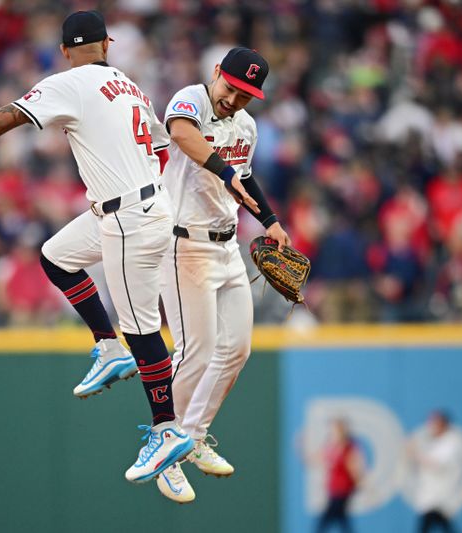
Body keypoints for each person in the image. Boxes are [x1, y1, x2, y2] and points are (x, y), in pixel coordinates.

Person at [0, 10, 245, 483]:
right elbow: (165, 145)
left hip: (129, 218)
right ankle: (107, 347)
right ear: (107, 44)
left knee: (144, 332)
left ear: (65, 51)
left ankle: (167, 430)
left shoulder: (70, 83)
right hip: (127, 208)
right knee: (55, 257)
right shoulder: (127, 83)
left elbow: (1, 119)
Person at [154, 47, 290, 503]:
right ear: (216, 73)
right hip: (183, 244)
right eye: (230, 87)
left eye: (246, 93)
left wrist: (270, 220)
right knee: (197, 350)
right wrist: (226, 170)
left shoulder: (246, 125)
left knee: (237, 349)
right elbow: (181, 134)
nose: (234, 98)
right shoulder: (190, 98)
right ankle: (162, 445)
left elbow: (244, 178)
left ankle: (191, 438)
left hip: (228, 244)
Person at [301, 418, 365, 533]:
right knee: (342, 520)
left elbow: (355, 468)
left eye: (335, 430)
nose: (332, 433)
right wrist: (302, 446)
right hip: (334, 491)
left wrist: (361, 483)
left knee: (324, 521)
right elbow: (311, 460)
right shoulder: (330, 447)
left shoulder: (348, 448)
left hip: (343, 491)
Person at [408, 410, 462, 533]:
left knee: (432, 524)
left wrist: (415, 454)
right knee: (439, 524)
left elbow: (436, 464)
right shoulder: (432, 442)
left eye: (434, 423)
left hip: (442, 495)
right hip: (430, 495)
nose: (430, 426)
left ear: (443, 424)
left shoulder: (452, 441)